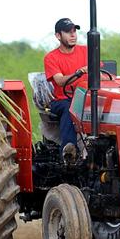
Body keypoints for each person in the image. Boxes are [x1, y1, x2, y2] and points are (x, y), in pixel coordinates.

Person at [43, 17, 88, 161]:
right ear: (58, 36)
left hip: (87, 98)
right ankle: (69, 152)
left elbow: (101, 74)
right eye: (68, 32)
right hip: (63, 99)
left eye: (74, 31)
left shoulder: (86, 51)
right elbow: (60, 81)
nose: (73, 35)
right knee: (70, 108)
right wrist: (79, 73)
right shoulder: (51, 58)